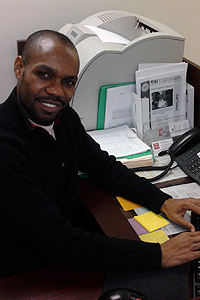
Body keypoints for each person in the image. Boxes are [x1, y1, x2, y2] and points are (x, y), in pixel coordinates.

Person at [0, 29, 200, 279]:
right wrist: (160, 255)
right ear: (19, 68)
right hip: (24, 271)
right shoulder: (6, 146)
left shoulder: (64, 119)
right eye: (44, 75)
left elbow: (103, 167)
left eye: (68, 82)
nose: (56, 91)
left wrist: (162, 202)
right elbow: (59, 241)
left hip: (58, 244)